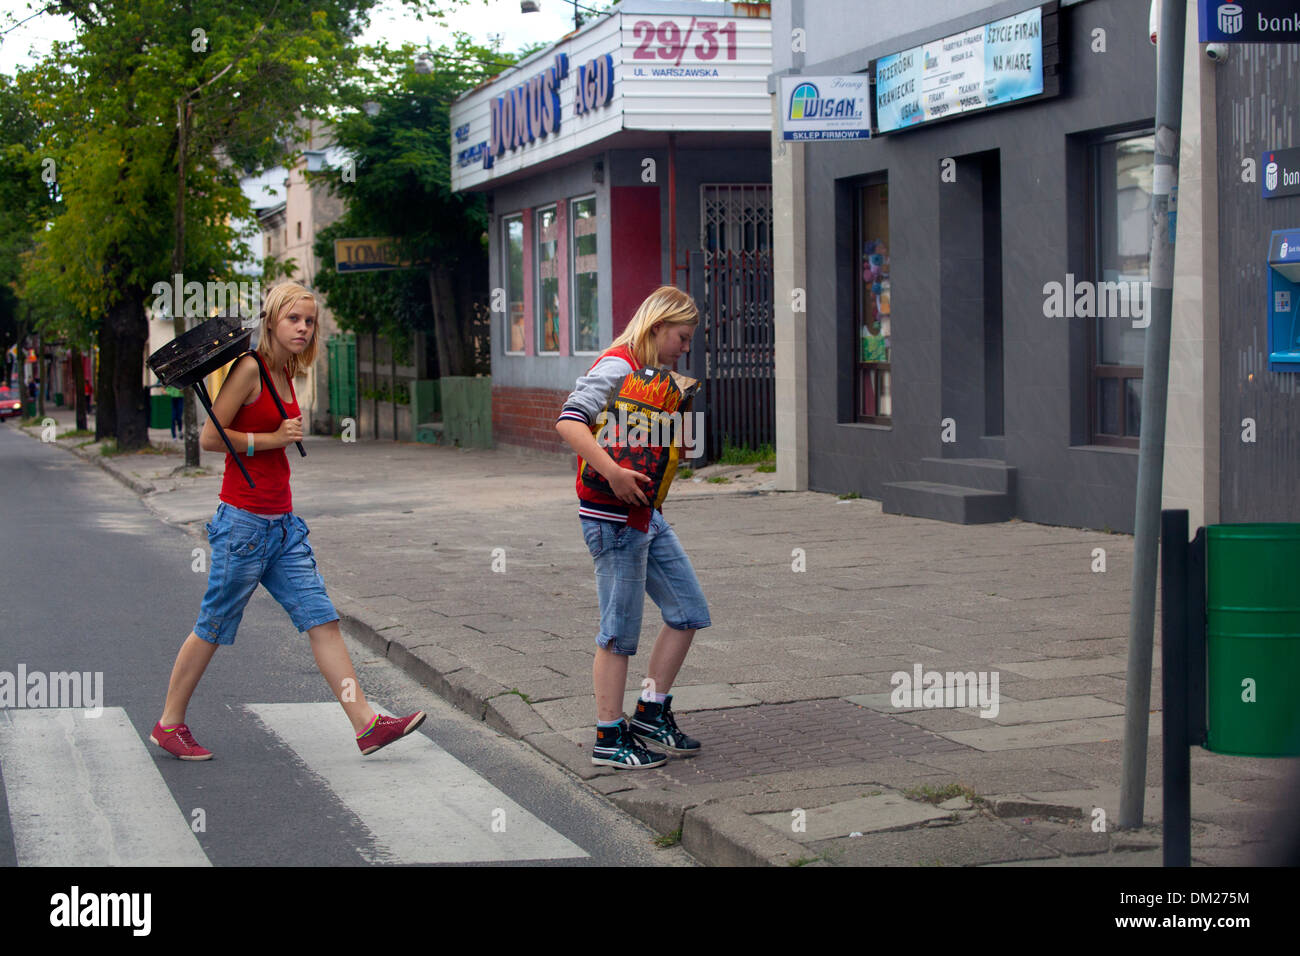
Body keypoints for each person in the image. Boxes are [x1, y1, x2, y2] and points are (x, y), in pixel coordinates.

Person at [152, 283, 425, 760]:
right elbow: (211, 437)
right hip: (243, 524)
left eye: (310, 320)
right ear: (273, 320)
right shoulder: (250, 369)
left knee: (322, 620)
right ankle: (168, 724)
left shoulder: (286, 373)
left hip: (282, 525)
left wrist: (275, 439)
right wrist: (270, 438)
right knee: (213, 625)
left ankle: (366, 725)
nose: (303, 328)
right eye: (294, 319)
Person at [554, 286, 711, 770]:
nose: (685, 348)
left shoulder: (651, 375)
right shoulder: (617, 366)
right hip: (611, 517)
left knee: (687, 611)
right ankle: (608, 735)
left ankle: (649, 712)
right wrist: (615, 473)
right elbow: (569, 422)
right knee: (618, 634)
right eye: (681, 338)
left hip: (645, 515)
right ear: (657, 327)